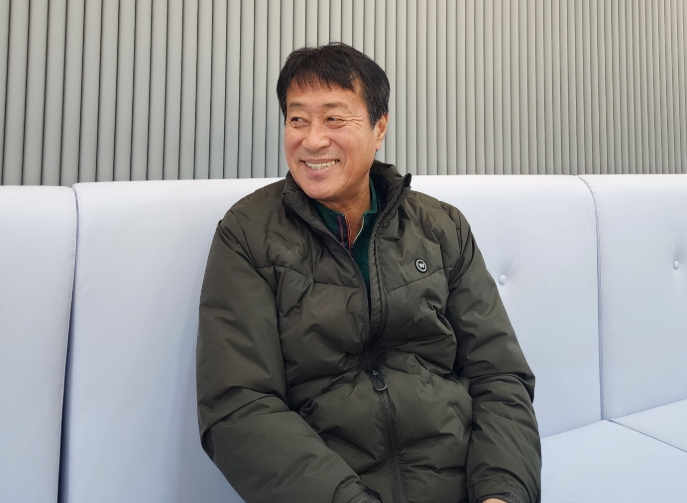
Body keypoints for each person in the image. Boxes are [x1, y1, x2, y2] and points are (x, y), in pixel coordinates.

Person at [197, 42, 541, 503]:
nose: (312, 140)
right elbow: (238, 405)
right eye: (297, 119)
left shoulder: (442, 228)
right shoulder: (247, 235)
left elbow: (499, 375)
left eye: (334, 118)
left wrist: (502, 492)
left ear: (380, 127)